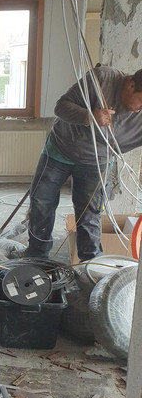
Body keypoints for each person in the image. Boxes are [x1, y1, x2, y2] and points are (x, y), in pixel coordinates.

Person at [24, 66, 142, 261]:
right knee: (41, 202)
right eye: (141, 101)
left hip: (96, 162)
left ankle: (90, 264)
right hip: (60, 151)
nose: (140, 109)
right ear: (131, 85)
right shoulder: (102, 79)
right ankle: (37, 257)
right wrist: (89, 116)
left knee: (89, 214)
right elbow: (61, 107)